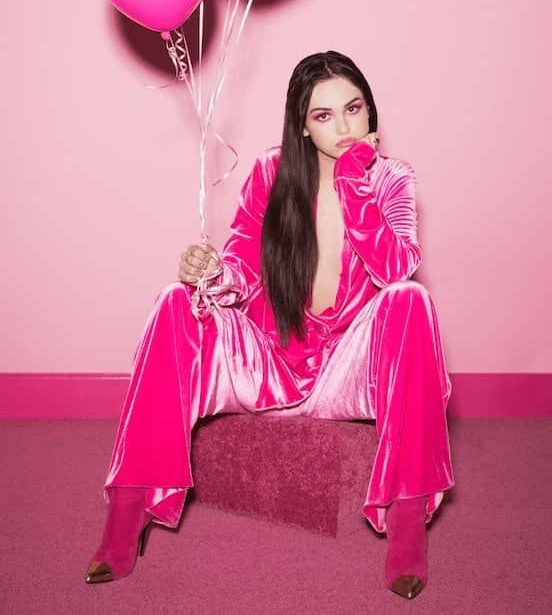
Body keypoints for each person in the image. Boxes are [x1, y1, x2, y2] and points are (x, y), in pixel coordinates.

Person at [85, 50, 455, 600]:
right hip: (271, 363)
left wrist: (355, 181)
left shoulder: (391, 178)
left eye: (354, 108)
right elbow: (241, 267)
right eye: (324, 115)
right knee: (174, 300)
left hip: (347, 373)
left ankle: (405, 523)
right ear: (303, 126)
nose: (345, 126)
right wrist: (211, 273)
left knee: (410, 301)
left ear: (370, 112)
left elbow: (396, 267)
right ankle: (127, 510)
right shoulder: (270, 172)